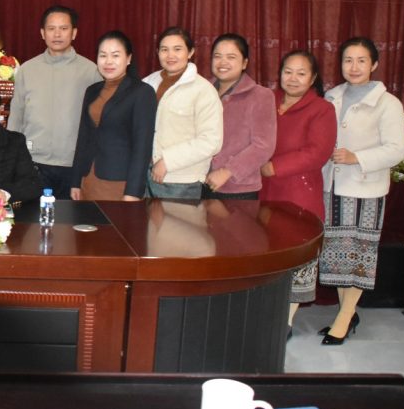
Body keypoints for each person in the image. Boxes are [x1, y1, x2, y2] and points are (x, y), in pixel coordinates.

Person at [318, 37, 404, 345]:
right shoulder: (332, 96)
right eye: (348, 60)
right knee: (336, 255)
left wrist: (358, 157)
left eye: (361, 60)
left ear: (374, 64)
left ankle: (344, 318)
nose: (353, 67)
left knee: (358, 255)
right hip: (332, 186)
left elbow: (397, 150)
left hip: (365, 189)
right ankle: (348, 312)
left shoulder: (388, 103)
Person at [259, 50, 337, 335]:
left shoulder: (322, 109)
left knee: (296, 257)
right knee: (266, 254)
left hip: (298, 194)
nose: (293, 78)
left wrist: (274, 167)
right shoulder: (267, 101)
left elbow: (318, 153)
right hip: (263, 192)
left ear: (313, 78)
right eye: (288, 71)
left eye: (301, 73)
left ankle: (287, 321)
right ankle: (266, 312)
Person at [8, 5, 100, 199]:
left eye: (64, 28)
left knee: (70, 217)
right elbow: (16, 115)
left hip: (74, 165)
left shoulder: (91, 71)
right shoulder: (27, 69)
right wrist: (13, 156)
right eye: (51, 28)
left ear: (74, 33)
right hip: (33, 162)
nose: (57, 34)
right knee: (32, 216)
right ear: (42, 33)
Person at [71, 31, 157, 201]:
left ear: (128, 58)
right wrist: (75, 181)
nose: (108, 61)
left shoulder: (142, 92)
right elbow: (83, 137)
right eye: (103, 55)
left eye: (115, 55)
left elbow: (142, 147)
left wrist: (133, 192)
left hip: (119, 182)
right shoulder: (92, 90)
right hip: (87, 178)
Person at [142, 27, 223, 199]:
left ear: (190, 52)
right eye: (164, 49)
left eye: (177, 49)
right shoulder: (147, 83)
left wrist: (167, 161)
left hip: (181, 181)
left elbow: (211, 141)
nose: (170, 55)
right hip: (144, 175)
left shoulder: (203, 90)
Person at [204, 34, 276, 199]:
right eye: (217, 56)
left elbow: (264, 146)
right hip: (198, 182)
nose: (223, 62)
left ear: (244, 63)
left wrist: (228, 171)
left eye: (231, 57)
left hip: (238, 188)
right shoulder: (202, 90)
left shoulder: (260, 95)